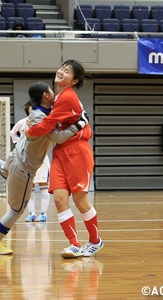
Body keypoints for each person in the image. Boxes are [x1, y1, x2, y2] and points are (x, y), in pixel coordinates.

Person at [0, 81, 89, 255]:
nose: (54, 93)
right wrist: (80, 124)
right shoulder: (39, 116)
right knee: (17, 210)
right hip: (24, 168)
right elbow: (59, 138)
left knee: (3, 169)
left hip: (15, 157)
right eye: (51, 91)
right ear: (46, 95)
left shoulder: (43, 112)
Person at [25, 59, 104, 259]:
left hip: (77, 151)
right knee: (60, 200)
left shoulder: (68, 97)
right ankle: (74, 244)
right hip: (60, 151)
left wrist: (29, 132)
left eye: (67, 71)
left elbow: (49, 123)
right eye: (61, 67)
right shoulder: (60, 97)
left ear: (74, 80)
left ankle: (95, 241)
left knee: (79, 200)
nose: (61, 71)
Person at [10, 102, 50, 222]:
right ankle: (31, 213)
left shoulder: (44, 122)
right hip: (26, 159)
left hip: (41, 158)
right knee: (28, 188)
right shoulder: (22, 122)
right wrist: (19, 144)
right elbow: (12, 133)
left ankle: (43, 214)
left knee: (44, 186)